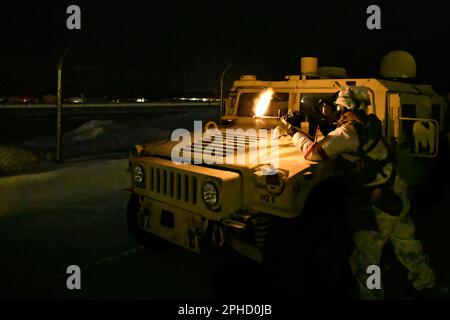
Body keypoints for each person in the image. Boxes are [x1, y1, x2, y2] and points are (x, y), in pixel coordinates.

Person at [279, 85, 436, 299]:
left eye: (337, 108)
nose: (334, 111)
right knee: (407, 244)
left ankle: (373, 294)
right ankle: (426, 283)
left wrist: (293, 132)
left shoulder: (347, 132)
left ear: (345, 108)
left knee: (366, 259)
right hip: (395, 188)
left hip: (377, 201)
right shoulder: (369, 123)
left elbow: (313, 152)